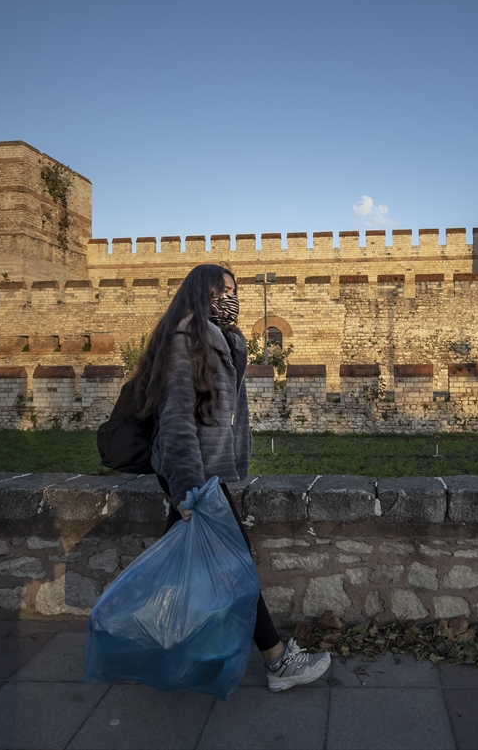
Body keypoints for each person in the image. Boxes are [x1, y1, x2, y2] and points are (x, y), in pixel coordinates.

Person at [128, 263, 331, 692]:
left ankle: (155, 646)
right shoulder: (184, 342)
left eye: (235, 291)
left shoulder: (218, 341)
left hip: (208, 472)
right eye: (224, 291)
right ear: (202, 294)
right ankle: (277, 661)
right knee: (234, 567)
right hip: (196, 475)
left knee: (185, 572)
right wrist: (186, 489)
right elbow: (177, 420)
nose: (232, 299)